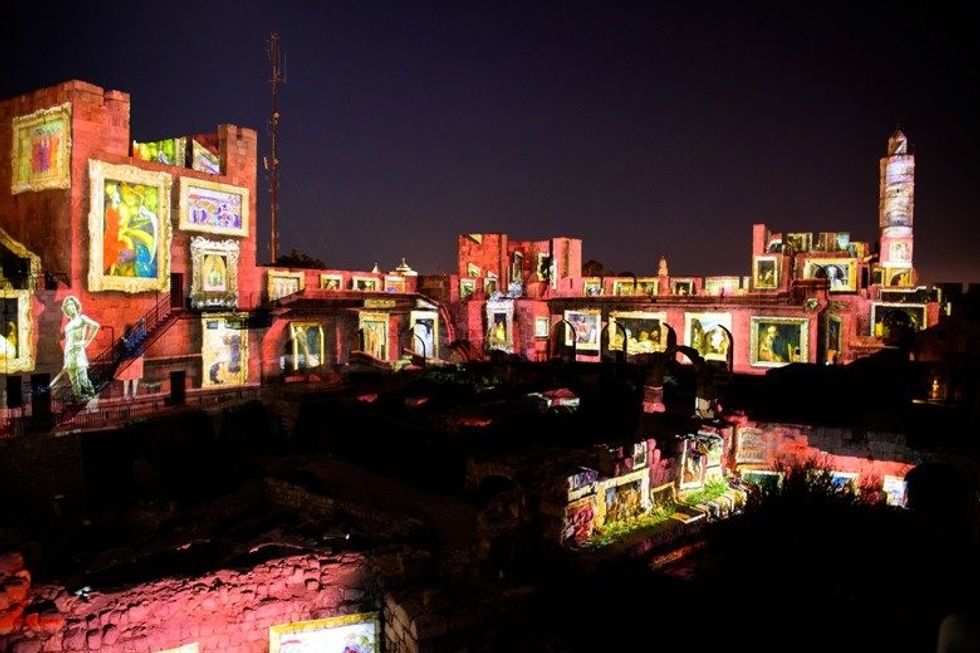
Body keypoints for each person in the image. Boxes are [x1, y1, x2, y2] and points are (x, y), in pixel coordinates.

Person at [54, 295, 99, 399]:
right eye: (68, 305)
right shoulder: (67, 326)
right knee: (74, 380)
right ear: (66, 309)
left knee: (83, 378)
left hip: (78, 352)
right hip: (69, 353)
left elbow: (95, 326)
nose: (70, 307)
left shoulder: (82, 318)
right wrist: (65, 360)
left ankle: (92, 394)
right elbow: (68, 342)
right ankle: (79, 398)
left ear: (75, 305)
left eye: (72, 304)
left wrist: (87, 341)